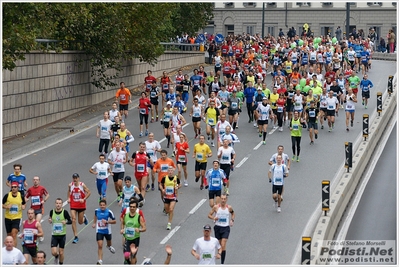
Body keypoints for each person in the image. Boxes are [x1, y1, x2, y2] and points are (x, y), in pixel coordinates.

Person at [207, 193, 235, 265]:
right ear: (220, 199)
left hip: (225, 228)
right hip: (218, 227)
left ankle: (222, 263)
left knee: (223, 244)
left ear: (226, 200)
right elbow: (209, 215)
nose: (223, 200)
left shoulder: (229, 208)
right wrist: (214, 218)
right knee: (219, 245)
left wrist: (232, 220)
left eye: (224, 199)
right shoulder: (216, 207)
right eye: (222, 199)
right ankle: (220, 255)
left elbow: (233, 213)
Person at [120, 200, 146, 265]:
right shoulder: (125, 215)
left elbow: (144, 228)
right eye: (131, 207)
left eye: (134, 207)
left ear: (136, 208)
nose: (132, 208)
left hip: (135, 238)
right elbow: (123, 223)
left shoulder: (139, 217)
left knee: (133, 255)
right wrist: (122, 229)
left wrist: (139, 230)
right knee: (126, 255)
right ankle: (129, 261)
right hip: (127, 238)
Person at [67, 173, 91, 244]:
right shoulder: (70, 185)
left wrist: (84, 198)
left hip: (81, 205)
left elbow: (89, 192)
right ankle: (76, 236)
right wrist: (68, 198)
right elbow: (69, 192)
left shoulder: (82, 185)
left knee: (80, 222)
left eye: (76, 178)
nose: (75, 179)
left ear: (78, 178)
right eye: (74, 178)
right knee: (73, 219)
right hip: (73, 205)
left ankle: (84, 218)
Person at [24, 176, 49, 242]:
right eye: (34, 180)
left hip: (39, 208)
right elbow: (25, 196)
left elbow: (47, 195)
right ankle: (37, 235)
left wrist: (44, 200)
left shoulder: (42, 188)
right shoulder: (30, 189)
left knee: (37, 222)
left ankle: (40, 235)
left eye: (37, 180)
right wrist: (26, 199)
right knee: (34, 224)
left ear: (39, 181)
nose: (35, 181)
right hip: (32, 209)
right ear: (33, 181)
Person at [92, 199, 116, 265]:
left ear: (106, 205)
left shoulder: (109, 212)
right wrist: (94, 223)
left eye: (103, 205)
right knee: (100, 245)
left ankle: (109, 246)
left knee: (109, 243)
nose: (102, 206)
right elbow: (95, 216)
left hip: (107, 230)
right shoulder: (96, 211)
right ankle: (100, 260)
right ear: (99, 205)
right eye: (101, 205)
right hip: (99, 230)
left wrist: (107, 222)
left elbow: (114, 221)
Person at [49, 198, 72, 265]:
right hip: (54, 235)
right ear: (55, 204)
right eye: (57, 203)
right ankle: (56, 257)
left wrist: (66, 222)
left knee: (61, 252)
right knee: (53, 252)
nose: (58, 205)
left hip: (62, 235)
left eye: (59, 203)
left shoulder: (65, 212)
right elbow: (50, 218)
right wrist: (50, 220)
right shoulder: (51, 211)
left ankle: (61, 264)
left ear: (62, 204)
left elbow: (70, 221)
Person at [2, 181, 26, 247]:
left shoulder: (20, 196)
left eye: (15, 187)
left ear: (18, 188)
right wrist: (6, 206)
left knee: (14, 234)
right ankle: (9, 249)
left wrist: (23, 206)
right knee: (9, 236)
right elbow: (2, 204)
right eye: (12, 187)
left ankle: (14, 251)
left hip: (17, 218)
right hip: (8, 218)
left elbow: (24, 204)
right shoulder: (7, 195)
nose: (13, 188)